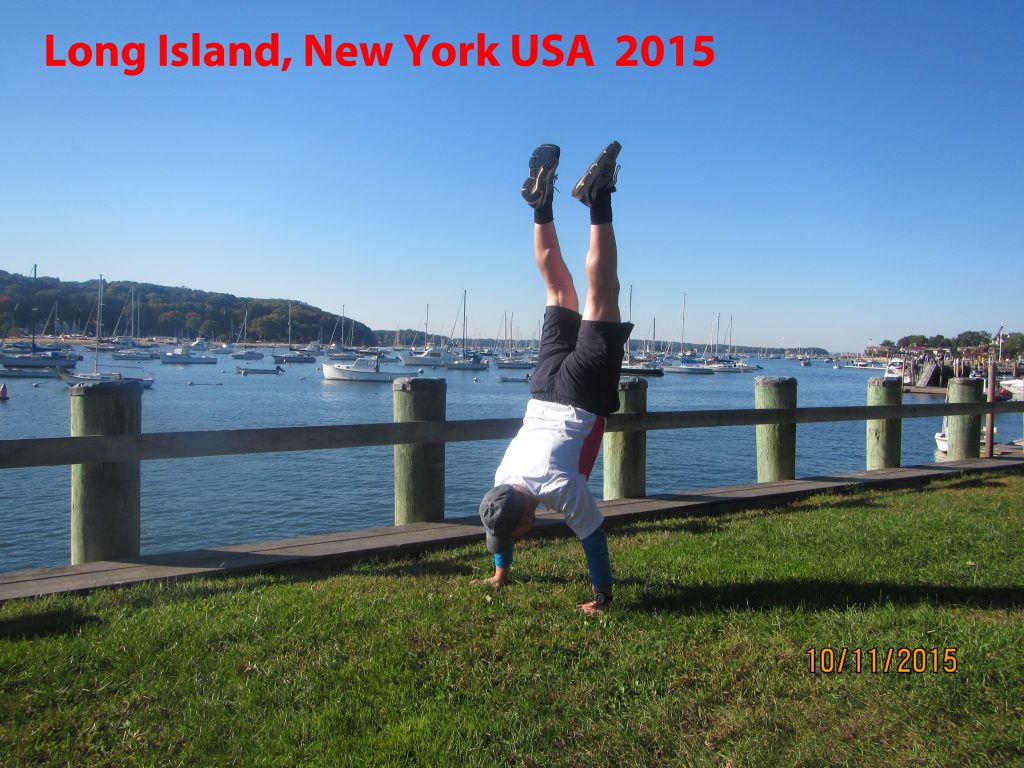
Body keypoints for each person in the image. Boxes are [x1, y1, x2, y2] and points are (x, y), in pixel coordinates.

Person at [472, 141, 632, 614]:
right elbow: (501, 521)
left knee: (602, 293)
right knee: (557, 287)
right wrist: (500, 571)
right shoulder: (502, 478)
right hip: (542, 388)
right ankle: (541, 207)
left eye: (517, 531)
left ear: (528, 515)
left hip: (581, 394)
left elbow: (593, 536)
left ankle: (599, 197)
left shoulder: (559, 488)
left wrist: (602, 597)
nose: (515, 536)